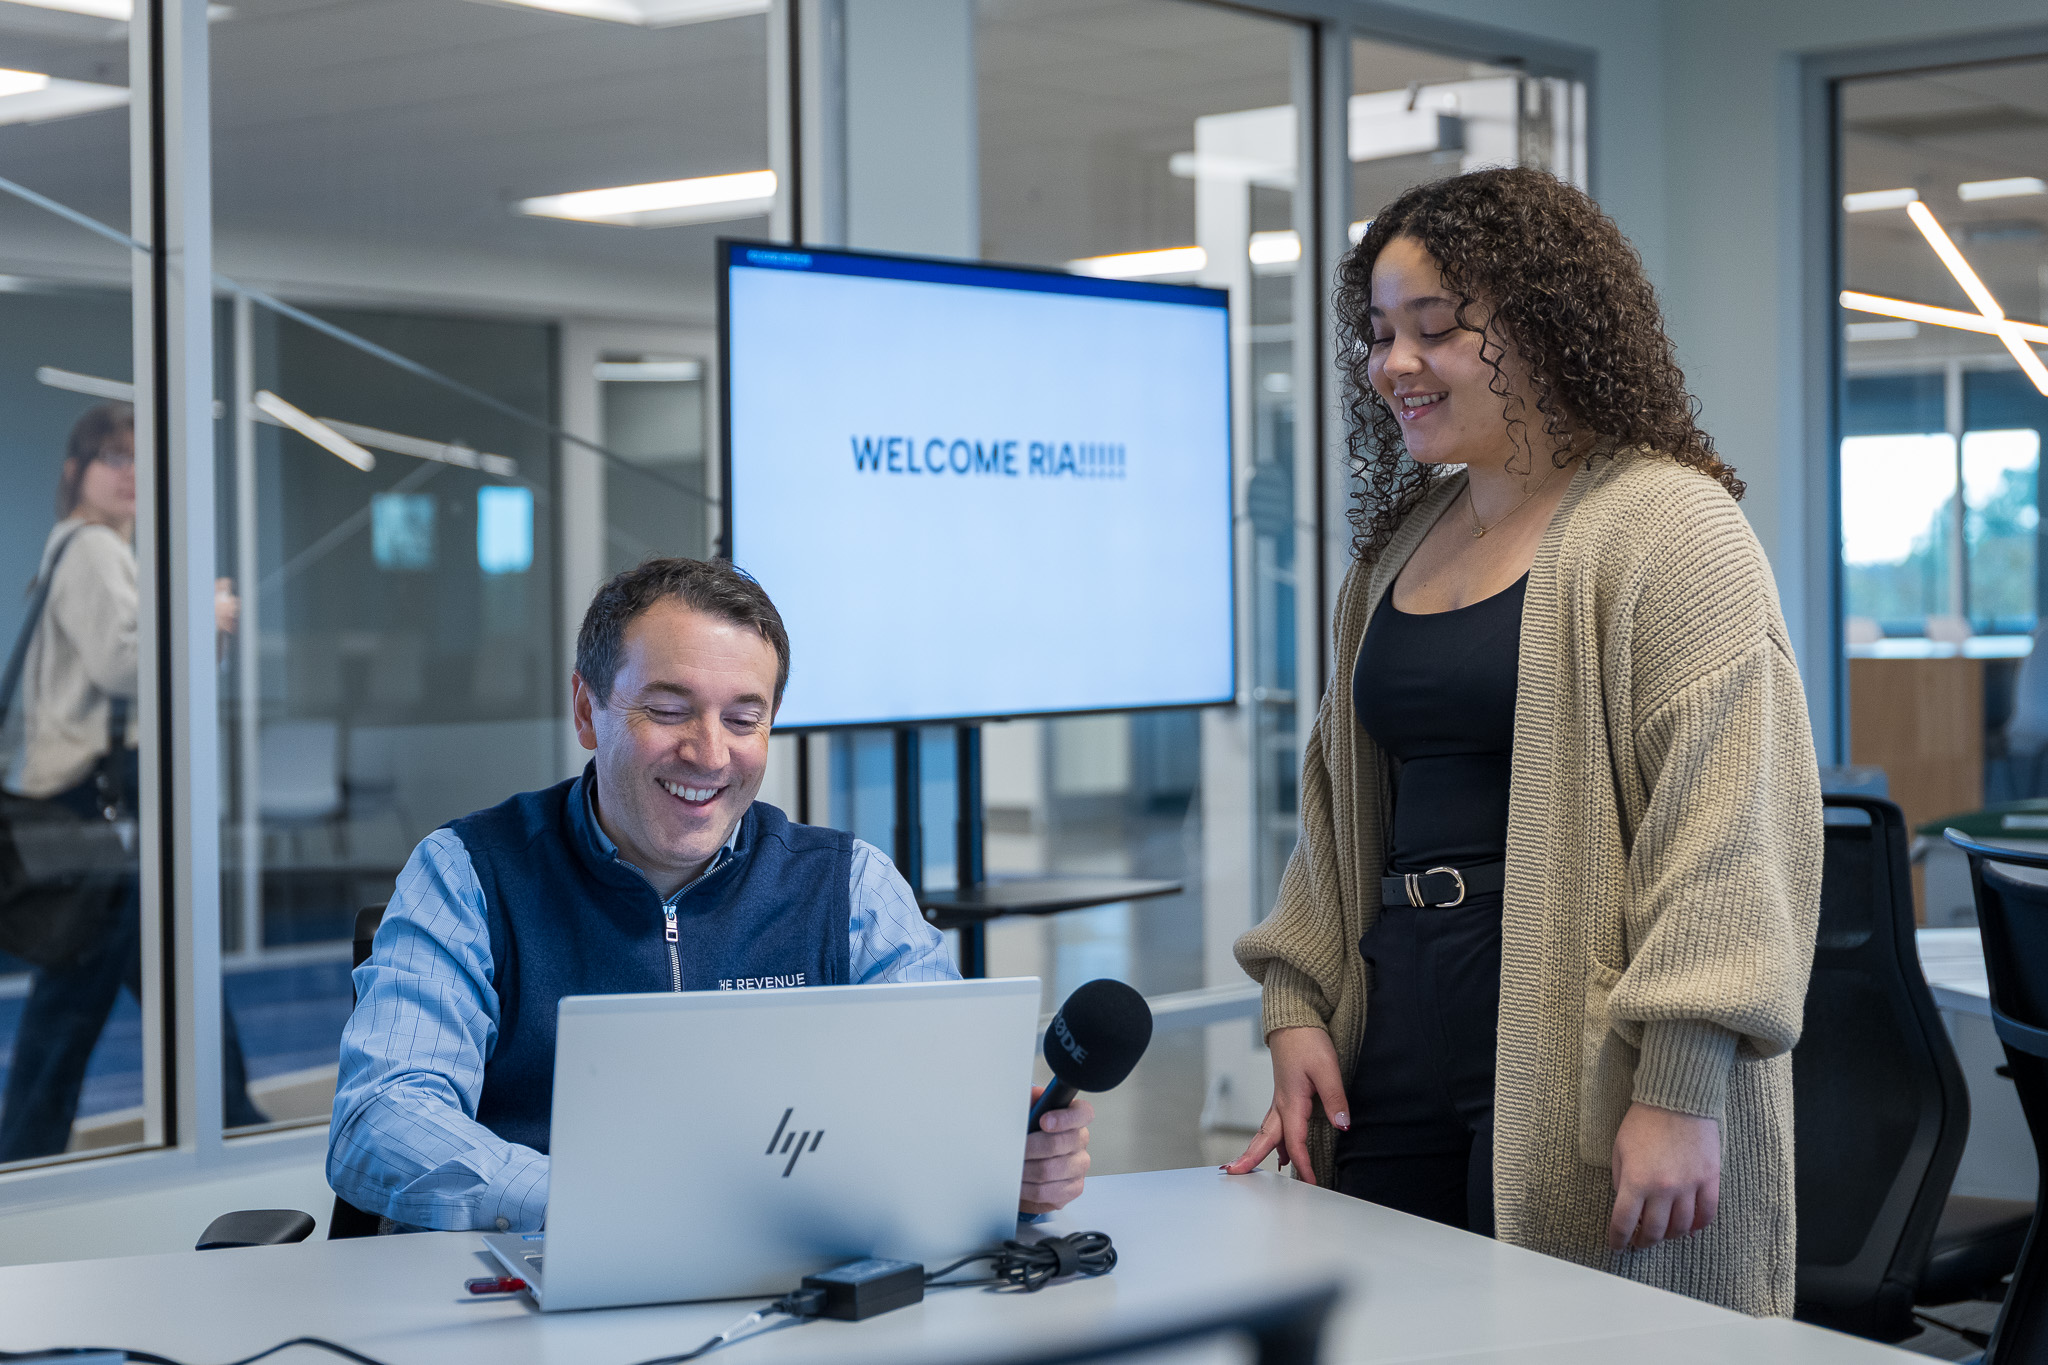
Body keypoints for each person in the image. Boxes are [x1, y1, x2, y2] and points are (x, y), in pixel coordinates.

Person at [1224, 167, 1820, 1317]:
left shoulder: (1667, 523)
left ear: (1541, 327)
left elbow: (1727, 826)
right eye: (1378, 335)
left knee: (1585, 1336)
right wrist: (1297, 1004)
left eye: (1433, 330)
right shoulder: (1396, 546)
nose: (1392, 364)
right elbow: (1339, 806)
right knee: (1389, 1326)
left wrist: (1681, 1087)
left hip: (1577, 1026)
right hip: (1396, 1012)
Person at [328, 556, 1093, 1231]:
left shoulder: (848, 887)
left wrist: (1005, 1162)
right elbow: (382, 1117)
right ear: (588, 709)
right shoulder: (468, 872)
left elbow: (941, 1106)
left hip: (786, 1293)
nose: (710, 752)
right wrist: (599, 1206)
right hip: (524, 1287)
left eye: (743, 717)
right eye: (668, 709)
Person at [0, 402, 264, 1162]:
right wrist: (204, 615)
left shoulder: (95, 550)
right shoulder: (89, 548)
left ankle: (235, 1122)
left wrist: (190, 626)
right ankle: (25, 1160)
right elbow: (125, 665)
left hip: (101, 806)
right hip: (100, 806)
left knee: (170, 983)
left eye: (137, 461)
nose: (127, 475)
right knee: (81, 1002)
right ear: (74, 471)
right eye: (111, 458)